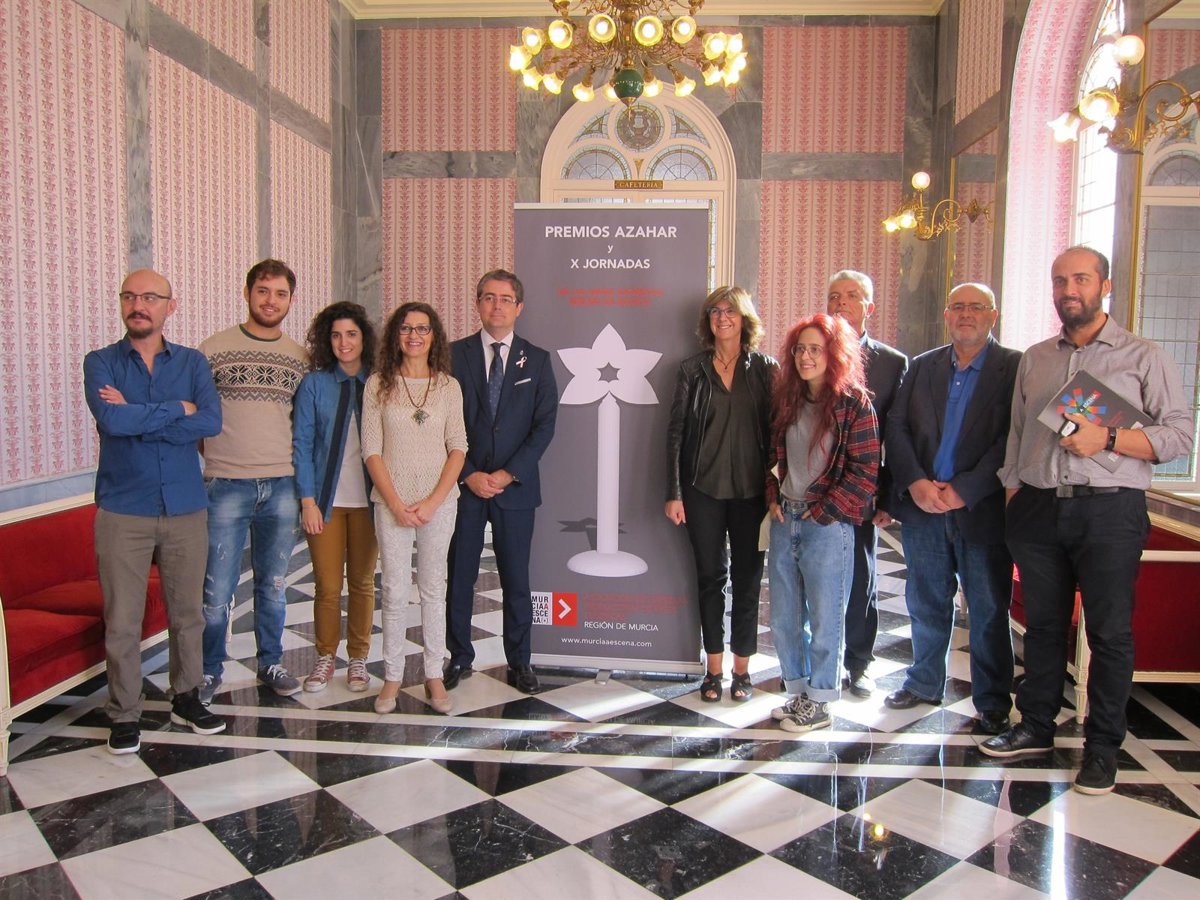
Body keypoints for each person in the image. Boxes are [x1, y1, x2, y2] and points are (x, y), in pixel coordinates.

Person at [984, 246, 1193, 795]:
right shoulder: (1036, 357)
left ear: (1105, 285)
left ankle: (1102, 747)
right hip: (1037, 506)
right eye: (1060, 281)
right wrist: (1014, 492)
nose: (1068, 290)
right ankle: (1035, 725)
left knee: (1108, 632)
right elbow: (1017, 433)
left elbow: (1179, 436)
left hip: (1109, 509)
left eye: (1080, 279)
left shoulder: (1144, 356)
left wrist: (1112, 437)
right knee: (1044, 626)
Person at [83, 268, 226, 753]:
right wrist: (177, 409)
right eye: (129, 296)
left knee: (188, 614)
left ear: (170, 305)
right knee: (122, 619)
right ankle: (124, 714)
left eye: (149, 297)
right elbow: (111, 420)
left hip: (185, 505)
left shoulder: (192, 363)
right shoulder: (100, 362)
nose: (138, 305)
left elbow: (211, 421)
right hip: (124, 508)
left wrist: (139, 416)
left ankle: (186, 698)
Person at [883, 283, 1021, 734]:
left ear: (993, 315)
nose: (966, 314)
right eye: (958, 306)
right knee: (925, 601)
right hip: (924, 508)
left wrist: (965, 489)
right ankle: (924, 682)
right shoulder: (923, 366)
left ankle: (993, 700)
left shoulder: (1014, 368)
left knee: (987, 608)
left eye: (976, 307)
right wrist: (916, 483)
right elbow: (897, 428)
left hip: (981, 509)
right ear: (946, 315)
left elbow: (1012, 439)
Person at [444, 270, 559, 695]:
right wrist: (469, 473)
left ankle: (520, 661)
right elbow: (442, 421)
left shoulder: (538, 360)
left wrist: (508, 473)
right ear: (477, 303)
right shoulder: (452, 356)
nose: (497, 305)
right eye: (489, 297)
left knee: (516, 579)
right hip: (465, 487)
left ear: (519, 307)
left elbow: (544, 426)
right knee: (460, 576)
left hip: (516, 489)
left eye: (506, 298)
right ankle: (459, 656)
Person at [200, 259, 308, 702]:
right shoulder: (213, 350)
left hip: (281, 484)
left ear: (290, 300)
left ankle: (271, 662)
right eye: (263, 291)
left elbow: (304, 425)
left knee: (274, 584)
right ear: (247, 294)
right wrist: (218, 460)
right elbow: (195, 417)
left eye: (280, 294)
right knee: (216, 588)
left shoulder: (299, 359)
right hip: (226, 484)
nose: (270, 301)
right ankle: (209, 669)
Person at [766, 313, 879, 732]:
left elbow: (866, 471)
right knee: (784, 618)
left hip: (827, 526)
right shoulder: (788, 398)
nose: (806, 357)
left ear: (834, 354)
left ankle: (821, 701)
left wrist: (824, 512)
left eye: (816, 349)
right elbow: (772, 456)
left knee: (826, 618)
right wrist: (773, 496)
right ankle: (798, 693)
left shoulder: (854, 403)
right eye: (800, 349)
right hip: (786, 519)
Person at [665, 286, 778, 702]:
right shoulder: (692, 370)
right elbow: (676, 434)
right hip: (702, 491)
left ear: (745, 318)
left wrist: (776, 493)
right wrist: (674, 492)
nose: (722, 317)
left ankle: (742, 671)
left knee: (748, 581)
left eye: (730, 310)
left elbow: (778, 434)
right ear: (707, 320)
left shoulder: (766, 369)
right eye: (715, 310)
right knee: (710, 579)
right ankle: (713, 670)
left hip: (752, 494)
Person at [363, 302, 466, 715]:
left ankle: (434, 673)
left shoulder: (448, 386)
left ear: (433, 336)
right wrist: (396, 503)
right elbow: (371, 450)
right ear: (395, 335)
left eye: (423, 329)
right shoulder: (377, 385)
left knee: (433, 587)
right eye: (406, 328)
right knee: (393, 589)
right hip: (391, 503)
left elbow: (458, 447)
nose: (414, 336)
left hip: (439, 503)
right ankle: (392, 675)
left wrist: (433, 501)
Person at [826, 270, 908, 697]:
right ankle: (816, 661)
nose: (841, 303)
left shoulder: (892, 363)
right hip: (815, 489)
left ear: (869, 307)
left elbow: (897, 436)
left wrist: (888, 496)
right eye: (834, 296)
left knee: (862, 578)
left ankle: (859, 662)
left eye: (851, 296)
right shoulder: (810, 351)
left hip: (863, 489)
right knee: (813, 578)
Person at [292, 302, 379, 694]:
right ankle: (325, 656)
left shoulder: (379, 382)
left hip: (370, 502)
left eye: (352, 334)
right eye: (336, 335)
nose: (344, 342)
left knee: (362, 582)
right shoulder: (315, 384)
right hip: (326, 503)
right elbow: (302, 444)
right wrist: (307, 501)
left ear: (364, 338)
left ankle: (358, 657)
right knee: (327, 586)